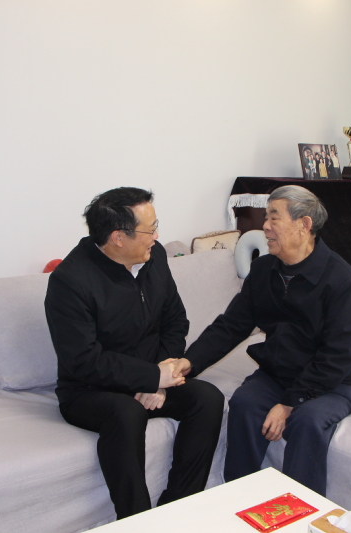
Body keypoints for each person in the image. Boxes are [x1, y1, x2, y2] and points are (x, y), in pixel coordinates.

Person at [44, 187, 225, 519]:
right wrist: (152, 377)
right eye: (150, 230)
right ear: (118, 237)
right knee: (127, 413)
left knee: (208, 398)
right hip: (90, 391)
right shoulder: (70, 281)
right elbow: (84, 361)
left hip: (150, 378)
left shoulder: (154, 257)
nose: (156, 237)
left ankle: (179, 510)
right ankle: (137, 521)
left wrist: (161, 376)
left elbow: (175, 320)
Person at [173, 185, 351, 496]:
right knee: (244, 404)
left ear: (304, 225)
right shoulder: (264, 269)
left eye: (274, 217)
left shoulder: (342, 281)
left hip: (329, 384)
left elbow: (339, 356)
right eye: (266, 217)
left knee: (306, 422)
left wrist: (290, 403)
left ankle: (302, 512)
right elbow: (231, 326)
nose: (264, 226)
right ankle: (239, 499)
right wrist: (189, 361)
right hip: (277, 375)